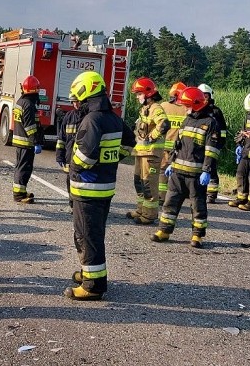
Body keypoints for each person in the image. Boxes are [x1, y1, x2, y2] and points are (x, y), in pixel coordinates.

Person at [64, 71, 135, 301]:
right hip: (104, 188)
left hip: (87, 190)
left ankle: (93, 286)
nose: (75, 103)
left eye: (76, 99)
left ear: (86, 94)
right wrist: (111, 160)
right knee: (93, 234)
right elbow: (129, 143)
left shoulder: (91, 120)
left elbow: (85, 158)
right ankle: (89, 273)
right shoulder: (113, 118)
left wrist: (72, 165)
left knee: (87, 236)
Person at [151, 86, 221, 248]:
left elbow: (212, 151)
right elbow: (178, 144)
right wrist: (171, 163)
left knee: (198, 206)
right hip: (177, 172)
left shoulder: (210, 124)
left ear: (196, 104)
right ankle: (164, 231)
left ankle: (197, 236)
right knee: (170, 202)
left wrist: (207, 171)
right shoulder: (187, 119)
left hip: (196, 175)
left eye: (187, 105)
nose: (185, 108)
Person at [127, 77, 169, 225]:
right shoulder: (145, 109)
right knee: (139, 182)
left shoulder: (156, 108)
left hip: (151, 154)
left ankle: (149, 215)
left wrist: (151, 137)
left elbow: (164, 125)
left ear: (148, 93)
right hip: (141, 152)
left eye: (139, 94)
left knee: (148, 184)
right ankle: (141, 210)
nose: (137, 97)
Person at [156, 82, 187, 205]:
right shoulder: (187, 109)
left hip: (164, 147)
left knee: (162, 172)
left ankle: (161, 197)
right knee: (177, 174)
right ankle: (175, 198)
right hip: (181, 148)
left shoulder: (163, 106)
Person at [12, 75, 41, 203]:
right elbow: (30, 126)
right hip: (26, 142)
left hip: (21, 141)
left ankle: (21, 191)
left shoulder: (21, 101)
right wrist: (36, 142)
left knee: (21, 166)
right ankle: (19, 195)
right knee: (24, 168)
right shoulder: (28, 104)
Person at [198, 83, 228, 204]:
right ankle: (197, 191)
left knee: (211, 169)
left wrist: (219, 145)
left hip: (212, 145)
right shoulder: (197, 110)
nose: (204, 97)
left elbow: (223, 131)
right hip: (199, 145)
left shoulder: (216, 111)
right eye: (202, 95)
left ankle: (211, 194)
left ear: (210, 96)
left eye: (206, 95)